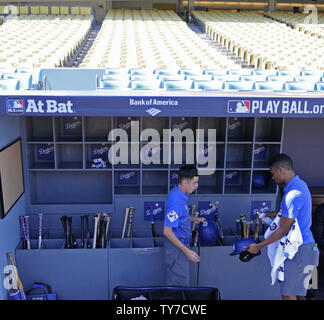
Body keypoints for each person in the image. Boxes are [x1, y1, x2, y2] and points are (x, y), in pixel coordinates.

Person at [246, 153, 319, 300]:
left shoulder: (292, 194)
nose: (273, 178)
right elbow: (289, 216)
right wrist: (272, 215)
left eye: (273, 174)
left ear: (281, 170)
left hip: (298, 251)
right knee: (298, 295)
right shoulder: (300, 184)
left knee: (288, 295)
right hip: (306, 249)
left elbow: (282, 230)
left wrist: (258, 246)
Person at [163, 165, 205, 286]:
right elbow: (167, 231)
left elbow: (178, 217)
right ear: (185, 182)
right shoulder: (175, 201)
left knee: (181, 284)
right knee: (179, 286)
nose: (197, 186)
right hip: (177, 249)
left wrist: (191, 219)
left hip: (180, 247)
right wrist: (187, 251)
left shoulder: (180, 193)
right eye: (194, 183)